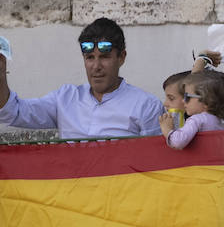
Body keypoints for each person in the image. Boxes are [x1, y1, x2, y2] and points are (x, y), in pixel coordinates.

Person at [0, 18, 162, 138]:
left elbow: (156, 160)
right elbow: (14, 112)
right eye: (90, 57)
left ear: (121, 57)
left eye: (104, 57)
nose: (96, 66)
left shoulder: (146, 106)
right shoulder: (65, 98)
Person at [160, 69, 224, 149]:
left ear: (206, 100)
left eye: (187, 97)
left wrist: (167, 129)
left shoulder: (196, 119)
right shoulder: (215, 119)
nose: (183, 100)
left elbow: (178, 142)